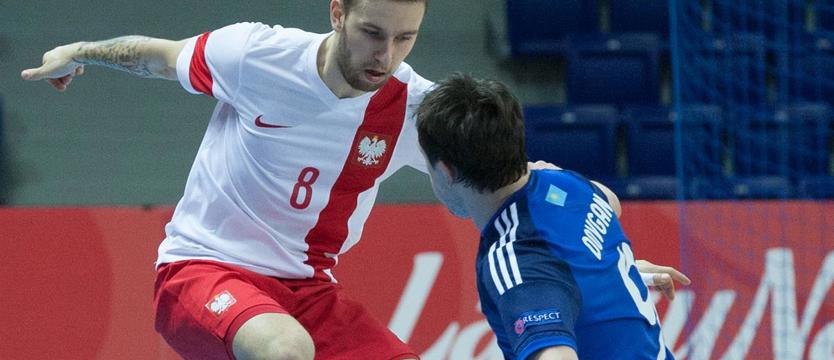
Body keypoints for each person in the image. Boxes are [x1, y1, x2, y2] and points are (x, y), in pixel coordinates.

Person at [21, 1, 687, 359]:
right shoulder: (258, 55)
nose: (386, 57)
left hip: (308, 293)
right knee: (284, 349)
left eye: (405, 39)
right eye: (373, 34)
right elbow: (161, 57)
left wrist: (601, 261)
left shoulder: (416, 107)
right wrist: (81, 52)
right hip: (202, 270)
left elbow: (514, 182)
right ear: (337, 11)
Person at [414, 73, 689, 360]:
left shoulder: (516, 260)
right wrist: (608, 276)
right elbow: (609, 203)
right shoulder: (568, 184)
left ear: (446, 170)